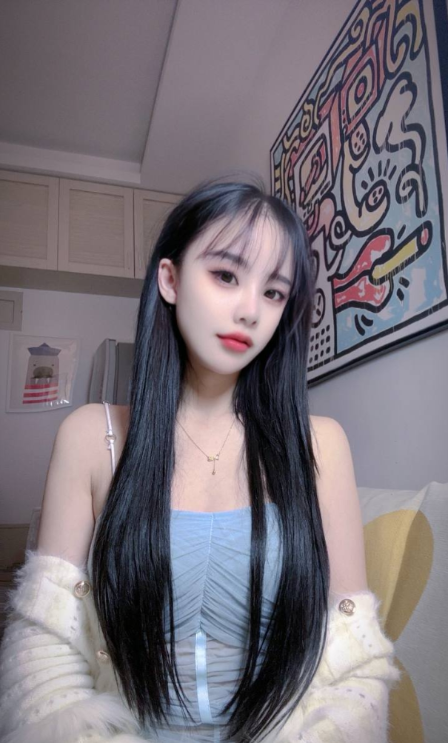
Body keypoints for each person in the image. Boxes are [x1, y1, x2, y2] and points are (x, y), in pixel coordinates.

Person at [0, 178, 401, 743]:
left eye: (274, 293)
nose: (250, 310)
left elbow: (354, 653)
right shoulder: (92, 437)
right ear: (170, 279)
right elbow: (45, 645)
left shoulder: (321, 444)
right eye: (226, 275)